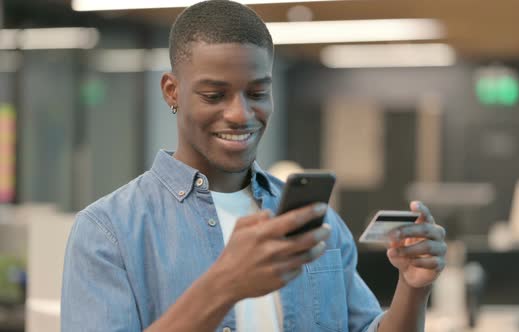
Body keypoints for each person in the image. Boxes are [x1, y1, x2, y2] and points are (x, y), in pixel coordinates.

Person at [60, 0, 447, 331]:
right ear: (171, 91)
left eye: (258, 93)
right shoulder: (108, 233)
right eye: (215, 95)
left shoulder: (318, 224)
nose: (240, 114)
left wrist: (413, 288)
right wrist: (225, 285)